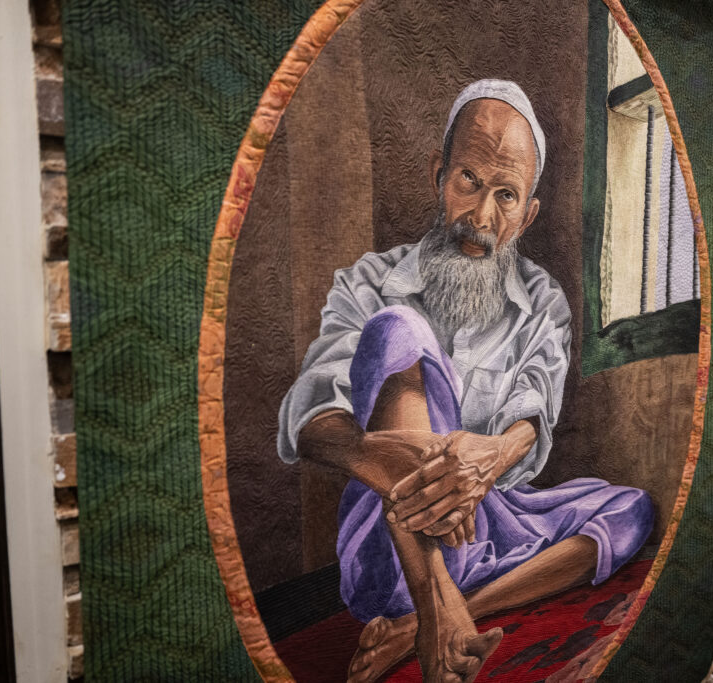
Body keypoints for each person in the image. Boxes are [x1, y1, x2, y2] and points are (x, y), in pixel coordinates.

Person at [277, 80, 653, 683]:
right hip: (387, 545)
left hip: (487, 525)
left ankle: (446, 614)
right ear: (438, 177)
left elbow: (532, 416)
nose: (481, 217)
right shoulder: (367, 283)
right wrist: (403, 461)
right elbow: (313, 421)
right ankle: (429, 603)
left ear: (528, 213)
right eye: (469, 181)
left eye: (506, 195)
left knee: (631, 509)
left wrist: (487, 459)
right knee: (397, 329)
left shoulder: (541, 302)